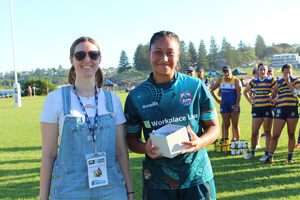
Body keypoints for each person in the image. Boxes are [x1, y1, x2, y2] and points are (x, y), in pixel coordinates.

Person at [125, 31, 219, 200]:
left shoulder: (195, 86)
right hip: (157, 180)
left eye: (170, 52)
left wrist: (199, 142)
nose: (164, 58)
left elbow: (213, 127)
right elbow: (131, 139)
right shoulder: (137, 96)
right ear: (149, 54)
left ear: (178, 55)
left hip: (196, 176)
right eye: (158, 52)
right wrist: (145, 148)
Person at [39, 36, 134, 199]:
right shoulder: (55, 99)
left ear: (100, 59)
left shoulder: (113, 100)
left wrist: (130, 192)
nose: (87, 59)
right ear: (71, 60)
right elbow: (49, 155)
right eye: (80, 55)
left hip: (111, 189)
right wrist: (43, 197)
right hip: (68, 189)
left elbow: (121, 152)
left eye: (93, 55)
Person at [264, 63, 300, 164]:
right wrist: (271, 98)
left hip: (292, 109)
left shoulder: (296, 81)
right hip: (280, 110)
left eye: (289, 72)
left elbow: (297, 93)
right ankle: (270, 157)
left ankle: (290, 157)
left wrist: (289, 83)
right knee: (275, 134)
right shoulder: (278, 82)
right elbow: (274, 95)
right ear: (282, 72)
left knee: (291, 134)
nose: (287, 74)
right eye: (285, 72)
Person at [243, 63, 276, 161]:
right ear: (257, 71)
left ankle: (266, 153)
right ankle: (252, 153)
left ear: (267, 70)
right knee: (254, 132)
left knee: (267, 132)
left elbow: (278, 90)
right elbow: (245, 92)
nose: (262, 71)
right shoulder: (254, 81)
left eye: (264, 69)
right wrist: (250, 102)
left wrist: (274, 100)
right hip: (257, 108)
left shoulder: (271, 80)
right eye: (260, 69)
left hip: (267, 109)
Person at [211, 65, 242, 142]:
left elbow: (239, 94)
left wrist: (237, 106)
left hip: (233, 105)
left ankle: (237, 141)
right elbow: (212, 90)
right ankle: (226, 141)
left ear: (230, 71)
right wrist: (217, 100)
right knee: (226, 124)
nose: (226, 74)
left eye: (227, 72)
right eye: (224, 72)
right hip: (224, 105)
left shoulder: (236, 81)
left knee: (235, 125)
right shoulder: (220, 80)